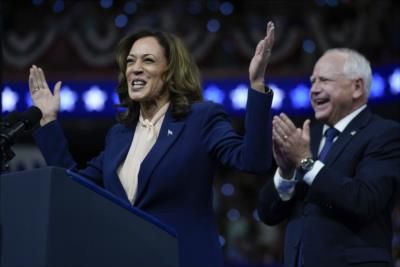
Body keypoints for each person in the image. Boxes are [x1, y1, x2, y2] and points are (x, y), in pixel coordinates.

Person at [28, 22, 275, 266]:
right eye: (130, 61)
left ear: (170, 72)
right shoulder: (119, 135)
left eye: (147, 60)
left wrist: (256, 86)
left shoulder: (201, 119)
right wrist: (48, 120)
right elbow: (74, 186)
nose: (135, 69)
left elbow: (252, 160)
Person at [257, 48, 400, 267]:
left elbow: (364, 200)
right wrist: (286, 172)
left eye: (324, 80)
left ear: (357, 87)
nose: (314, 90)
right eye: (312, 81)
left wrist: (306, 163)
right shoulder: (308, 137)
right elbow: (267, 214)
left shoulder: (384, 134)